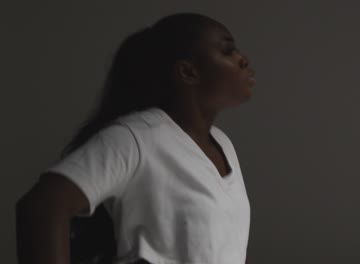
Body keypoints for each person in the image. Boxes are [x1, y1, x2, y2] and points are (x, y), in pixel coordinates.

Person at [15, 12, 256, 264]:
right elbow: (41, 208)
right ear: (187, 72)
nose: (243, 59)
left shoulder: (222, 143)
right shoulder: (136, 138)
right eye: (228, 51)